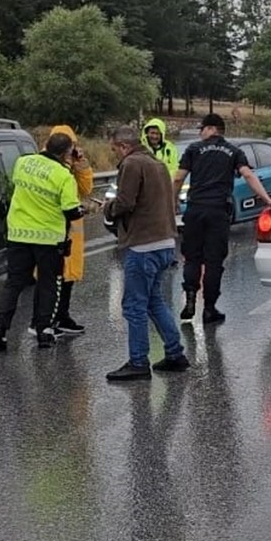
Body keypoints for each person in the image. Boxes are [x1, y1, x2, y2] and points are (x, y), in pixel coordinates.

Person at [173, 112, 271, 324]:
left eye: (202, 129)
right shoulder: (234, 151)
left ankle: (190, 297)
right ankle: (209, 308)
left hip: (195, 209)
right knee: (213, 261)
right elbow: (249, 175)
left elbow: (178, 177)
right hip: (218, 211)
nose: (200, 133)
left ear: (211, 128)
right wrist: (267, 199)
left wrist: (173, 201)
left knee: (192, 257)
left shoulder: (194, 149)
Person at [102, 125, 188, 381]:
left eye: (115, 149)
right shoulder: (158, 164)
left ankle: (138, 362)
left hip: (142, 245)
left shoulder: (132, 164)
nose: (116, 154)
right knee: (154, 301)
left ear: (124, 146)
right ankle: (175, 354)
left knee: (134, 306)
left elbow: (126, 202)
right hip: (165, 242)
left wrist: (108, 208)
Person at [0, 132, 84, 351]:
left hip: (18, 234)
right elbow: (72, 211)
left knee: (14, 283)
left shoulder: (22, 163)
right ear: (67, 152)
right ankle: (44, 330)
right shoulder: (63, 176)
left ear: (45, 145)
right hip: (48, 239)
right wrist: (85, 208)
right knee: (49, 283)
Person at [29, 125, 94, 336]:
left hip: (71, 229)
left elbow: (85, 189)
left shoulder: (72, 165)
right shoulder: (44, 163)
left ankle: (62, 316)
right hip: (49, 227)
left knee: (67, 276)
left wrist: (80, 164)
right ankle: (41, 320)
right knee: (48, 277)